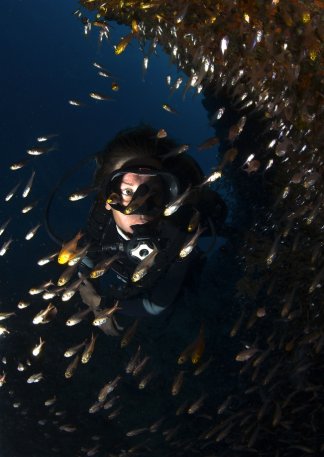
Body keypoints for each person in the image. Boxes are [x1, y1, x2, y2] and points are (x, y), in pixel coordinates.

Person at [77, 123, 228, 335]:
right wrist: (94, 298)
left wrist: (101, 303)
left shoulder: (179, 235)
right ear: (107, 199)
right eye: (127, 191)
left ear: (169, 195)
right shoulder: (100, 217)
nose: (141, 207)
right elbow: (84, 255)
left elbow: (157, 304)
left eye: (154, 191)